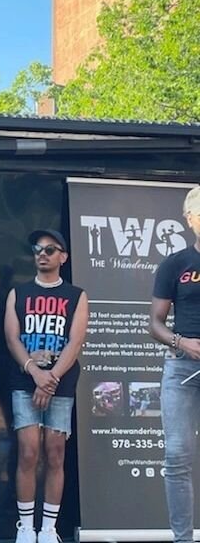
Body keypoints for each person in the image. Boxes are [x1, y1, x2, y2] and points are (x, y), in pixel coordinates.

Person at [4, 229, 88, 543]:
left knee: (55, 453)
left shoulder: (76, 295)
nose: (43, 254)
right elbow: (12, 339)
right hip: (24, 382)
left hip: (61, 383)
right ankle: (26, 527)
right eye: (38, 249)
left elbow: (75, 342)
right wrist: (34, 372)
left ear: (63, 257)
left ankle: (48, 528)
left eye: (50, 250)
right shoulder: (18, 292)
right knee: (28, 452)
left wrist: (49, 379)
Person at [150, 185, 200, 543]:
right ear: (190, 220)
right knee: (177, 454)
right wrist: (183, 342)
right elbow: (154, 322)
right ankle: (183, 539)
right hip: (183, 366)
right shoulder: (175, 263)